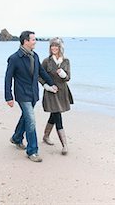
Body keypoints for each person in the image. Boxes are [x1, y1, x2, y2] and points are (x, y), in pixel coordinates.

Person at [5, 31, 57, 162]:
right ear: (25, 41)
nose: (35, 41)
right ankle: (32, 151)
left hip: (33, 93)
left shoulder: (35, 56)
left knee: (26, 118)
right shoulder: (14, 58)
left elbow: (41, 71)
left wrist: (52, 83)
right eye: (33, 39)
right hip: (22, 94)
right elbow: (8, 78)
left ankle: (16, 138)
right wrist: (8, 96)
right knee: (31, 121)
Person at [40, 37, 73, 155]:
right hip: (51, 92)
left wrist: (63, 74)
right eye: (52, 46)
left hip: (62, 92)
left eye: (56, 46)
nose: (54, 48)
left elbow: (68, 77)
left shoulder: (66, 61)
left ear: (60, 48)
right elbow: (39, 76)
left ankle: (46, 135)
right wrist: (47, 86)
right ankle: (65, 145)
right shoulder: (46, 61)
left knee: (54, 114)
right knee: (57, 115)